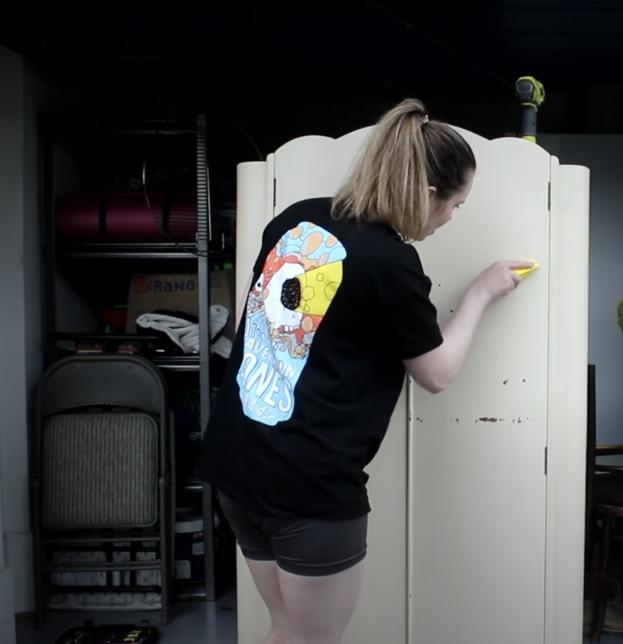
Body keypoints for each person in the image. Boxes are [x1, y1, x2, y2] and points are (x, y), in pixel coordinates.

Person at [195, 98, 533, 644]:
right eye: (455, 204)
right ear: (428, 194)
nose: (450, 218)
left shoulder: (296, 216)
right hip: (307, 485)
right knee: (310, 639)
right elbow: (437, 372)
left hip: (237, 460)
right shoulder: (390, 261)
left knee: (285, 628)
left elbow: (246, 322)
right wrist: (479, 294)